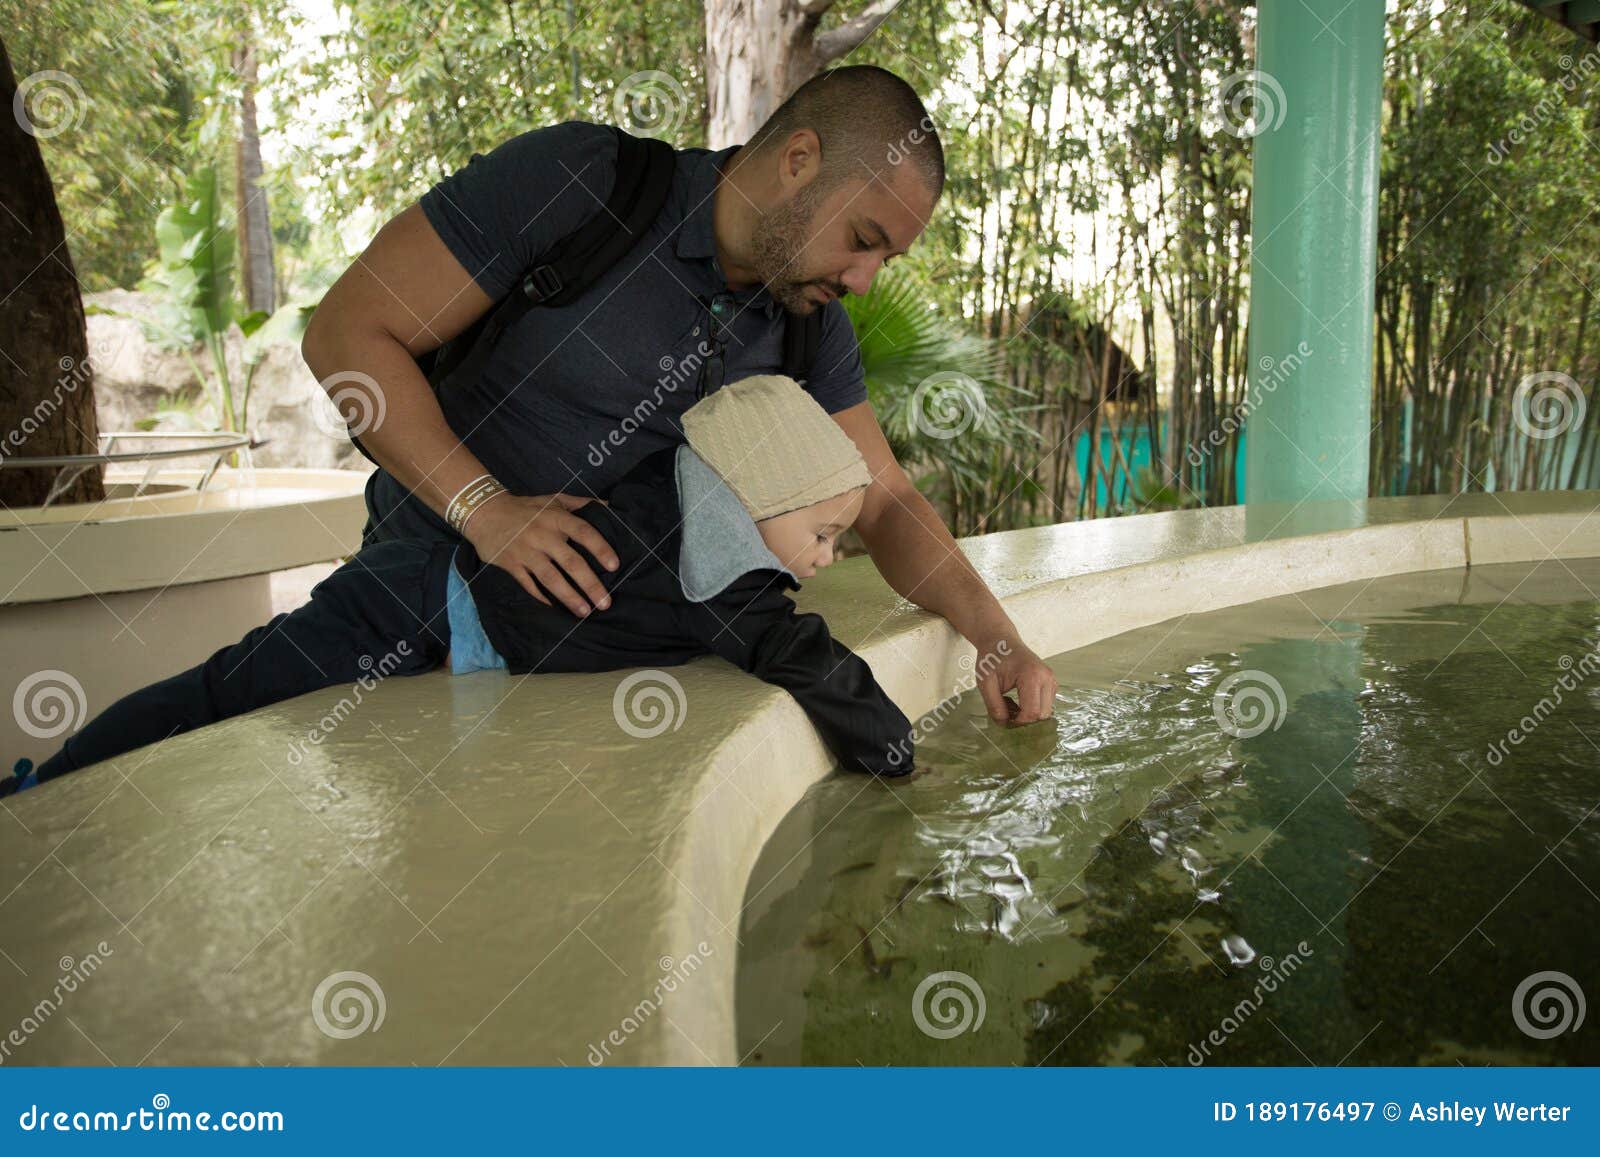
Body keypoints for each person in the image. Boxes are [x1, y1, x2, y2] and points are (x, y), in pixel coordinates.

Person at [299, 64, 1058, 730]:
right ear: (799, 161)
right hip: (417, 623)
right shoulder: (581, 184)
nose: (864, 280)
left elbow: (886, 497)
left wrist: (996, 637)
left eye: (885, 259)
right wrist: (485, 509)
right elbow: (345, 334)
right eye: (863, 238)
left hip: (603, 694)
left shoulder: (810, 328)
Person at [2, 377, 921, 796]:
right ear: (746, 504)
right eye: (822, 532)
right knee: (231, 688)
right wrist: (899, 756)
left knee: (239, 689)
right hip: (406, 604)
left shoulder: (681, 508)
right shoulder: (716, 572)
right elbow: (811, 662)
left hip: (437, 614)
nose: (830, 555)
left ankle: (58, 774)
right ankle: (51, 779)